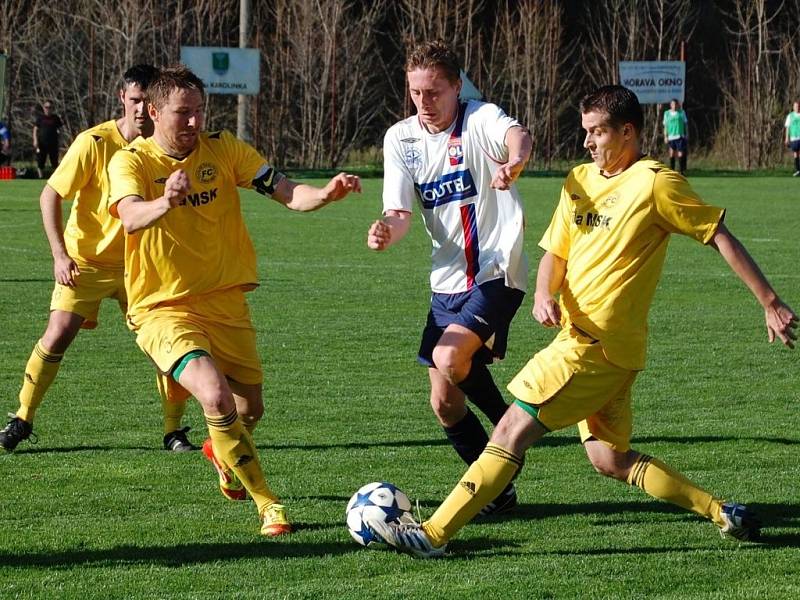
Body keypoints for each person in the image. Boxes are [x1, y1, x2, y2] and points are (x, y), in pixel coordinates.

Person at [369, 85, 798, 558]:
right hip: (603, 349)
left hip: (592, 348)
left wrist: (770, 301)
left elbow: (718, 235)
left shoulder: (655, 183)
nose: (588, 142)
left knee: (509, 431)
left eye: (597, 132)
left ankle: (430, 535)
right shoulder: (578, 179)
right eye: (585, 132)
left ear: (628, 132)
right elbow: (557, 250)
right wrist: (543, 292)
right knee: (609, 458)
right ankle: (722, 512)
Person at [108, 65, 361, 536]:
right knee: (214, 394)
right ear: (155, 111)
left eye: (200, 112)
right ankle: (268, 502)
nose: (194, 123)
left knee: (248, 413)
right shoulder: (132, 162)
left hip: (226, 304)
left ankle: (222, 457)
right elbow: (129, 216)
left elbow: (286, 191)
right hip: (163, 308)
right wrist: (166, 200)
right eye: (183, 113)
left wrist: (325, 193)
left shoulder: (223, 149)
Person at [367, 41, 532, 516]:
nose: (424, 101)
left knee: (449, 356)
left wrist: (514, 162)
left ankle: (511, 425)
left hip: (498, 269)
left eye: (434, 91)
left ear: (457, 87)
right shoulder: (400, 139)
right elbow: (398, 213)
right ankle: (498, 490)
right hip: (446, 282)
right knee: (444, 403)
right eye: (415, 92)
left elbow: (519, 136)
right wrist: (386, 233)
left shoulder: (479, 118)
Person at [0, 65, 197, 454]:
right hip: (85, 262)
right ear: (122, 99)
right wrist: (59, 255)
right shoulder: (93, 143)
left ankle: (174, 431)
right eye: (134, 100)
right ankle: (21, 419)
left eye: (147, 102)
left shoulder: (166, 147)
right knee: (56, 335)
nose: (141, 109)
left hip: (141, 266)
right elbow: (50, 195)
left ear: (158, 107)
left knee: (166, 345)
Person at [33, 101, 63, 178]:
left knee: (54, 162)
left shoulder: (55, 118)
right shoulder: (40, 118)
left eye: (50, 107)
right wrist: (35, 140)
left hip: (53, 143)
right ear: (43, 108)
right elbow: (35, 129)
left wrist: (60, 140)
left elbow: (60, 130)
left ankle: (55, 178)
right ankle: (40, 177)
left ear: (52, 109)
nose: (48, 109)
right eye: (46, 107)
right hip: (42, 143)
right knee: (40, 161)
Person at [663, 98, 688, 175]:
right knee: (672, 153)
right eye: (672, 104)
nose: (674, 106)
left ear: (678, 105)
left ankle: (681, 171)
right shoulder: (667, 113)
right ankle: (672, 171)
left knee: (680, 153)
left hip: (679, 136)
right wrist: (665, 136)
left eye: (675, 104)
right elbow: (665, 126)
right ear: (670, 105)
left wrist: (686, 133)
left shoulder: (681, 112)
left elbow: (685, 124)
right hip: (671, 137)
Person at [783, 101, 800, 176]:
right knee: (796, 153)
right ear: (793, 107)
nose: (796, 107)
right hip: (793, 137)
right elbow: (787, 127)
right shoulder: (790, 116)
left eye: (798, 106)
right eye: (795, 106)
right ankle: (798, 170)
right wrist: (786, 138)